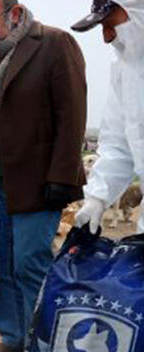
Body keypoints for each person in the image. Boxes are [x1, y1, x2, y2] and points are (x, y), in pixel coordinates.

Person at [0, 0, 87, 352]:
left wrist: (62, 175)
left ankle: (43, 348)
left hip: (37, 181)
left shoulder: (54, 45)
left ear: (14, 13)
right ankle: (14, 339)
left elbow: (72, 114)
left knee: (30, 263)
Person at [73, 0, 144, 234]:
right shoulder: (127, 71)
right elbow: (118, 143)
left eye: (109, 24)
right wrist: (97, 197)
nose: (107, 37)